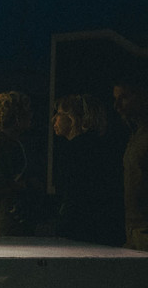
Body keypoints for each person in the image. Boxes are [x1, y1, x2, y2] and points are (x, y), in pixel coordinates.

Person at [52, 94, 125, 246]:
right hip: (104, 229)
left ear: (73, 118)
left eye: (59, 114)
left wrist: (61, 226)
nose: (54, 119)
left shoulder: (75, 150)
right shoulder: (102, 147)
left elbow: (74, 194)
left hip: (80, 231)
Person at [0, 91, 36, 236]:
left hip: (10, 213)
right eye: (27, 112)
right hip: (4, 215)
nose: (31, 116)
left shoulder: (9, 140)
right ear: (17, 118)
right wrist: (23, 185)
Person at [115, 69, 148, 251]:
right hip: (133, 229)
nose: (117, 106)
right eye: (116, 99)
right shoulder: (135, 135)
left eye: (124, 98)